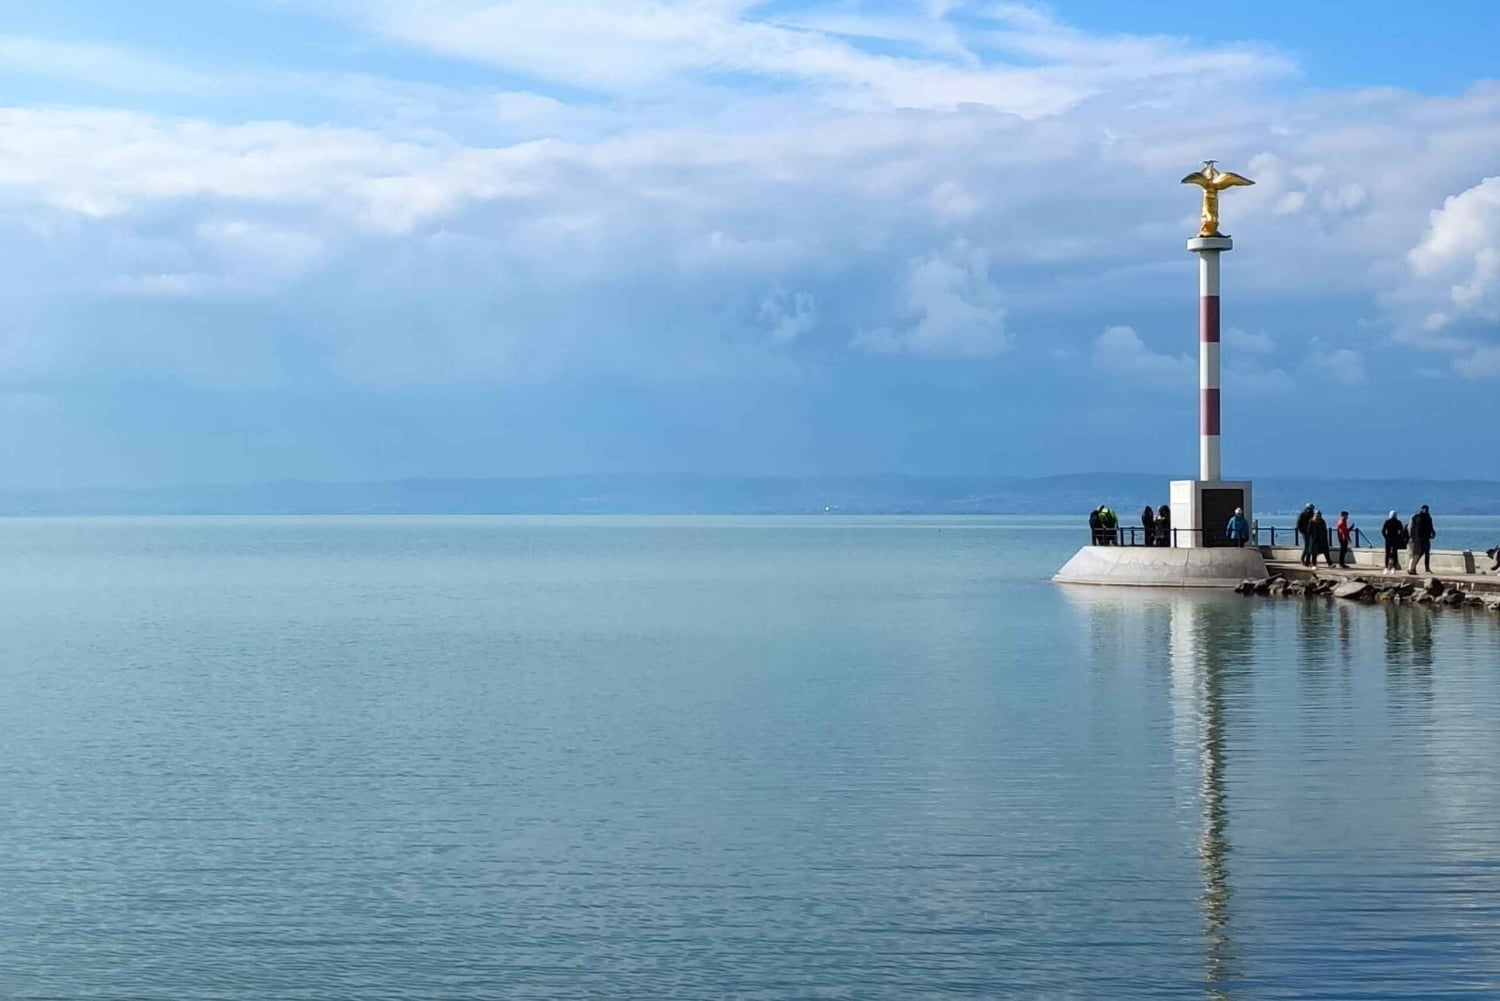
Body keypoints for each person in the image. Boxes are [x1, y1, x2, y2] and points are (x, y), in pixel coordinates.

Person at [1408, 504, 1436, 575]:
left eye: (1427, 509)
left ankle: (1427, 568)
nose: (1426, 510)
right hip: (1420, 538)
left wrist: (1433, 533)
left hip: (1426, 537)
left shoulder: (1428, 517)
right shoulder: (1418, 517)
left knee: (1427, 553)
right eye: (1424, 509)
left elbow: (1431, 526)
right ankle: (1413, 567)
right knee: (1419, 553)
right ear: (1421, 509)